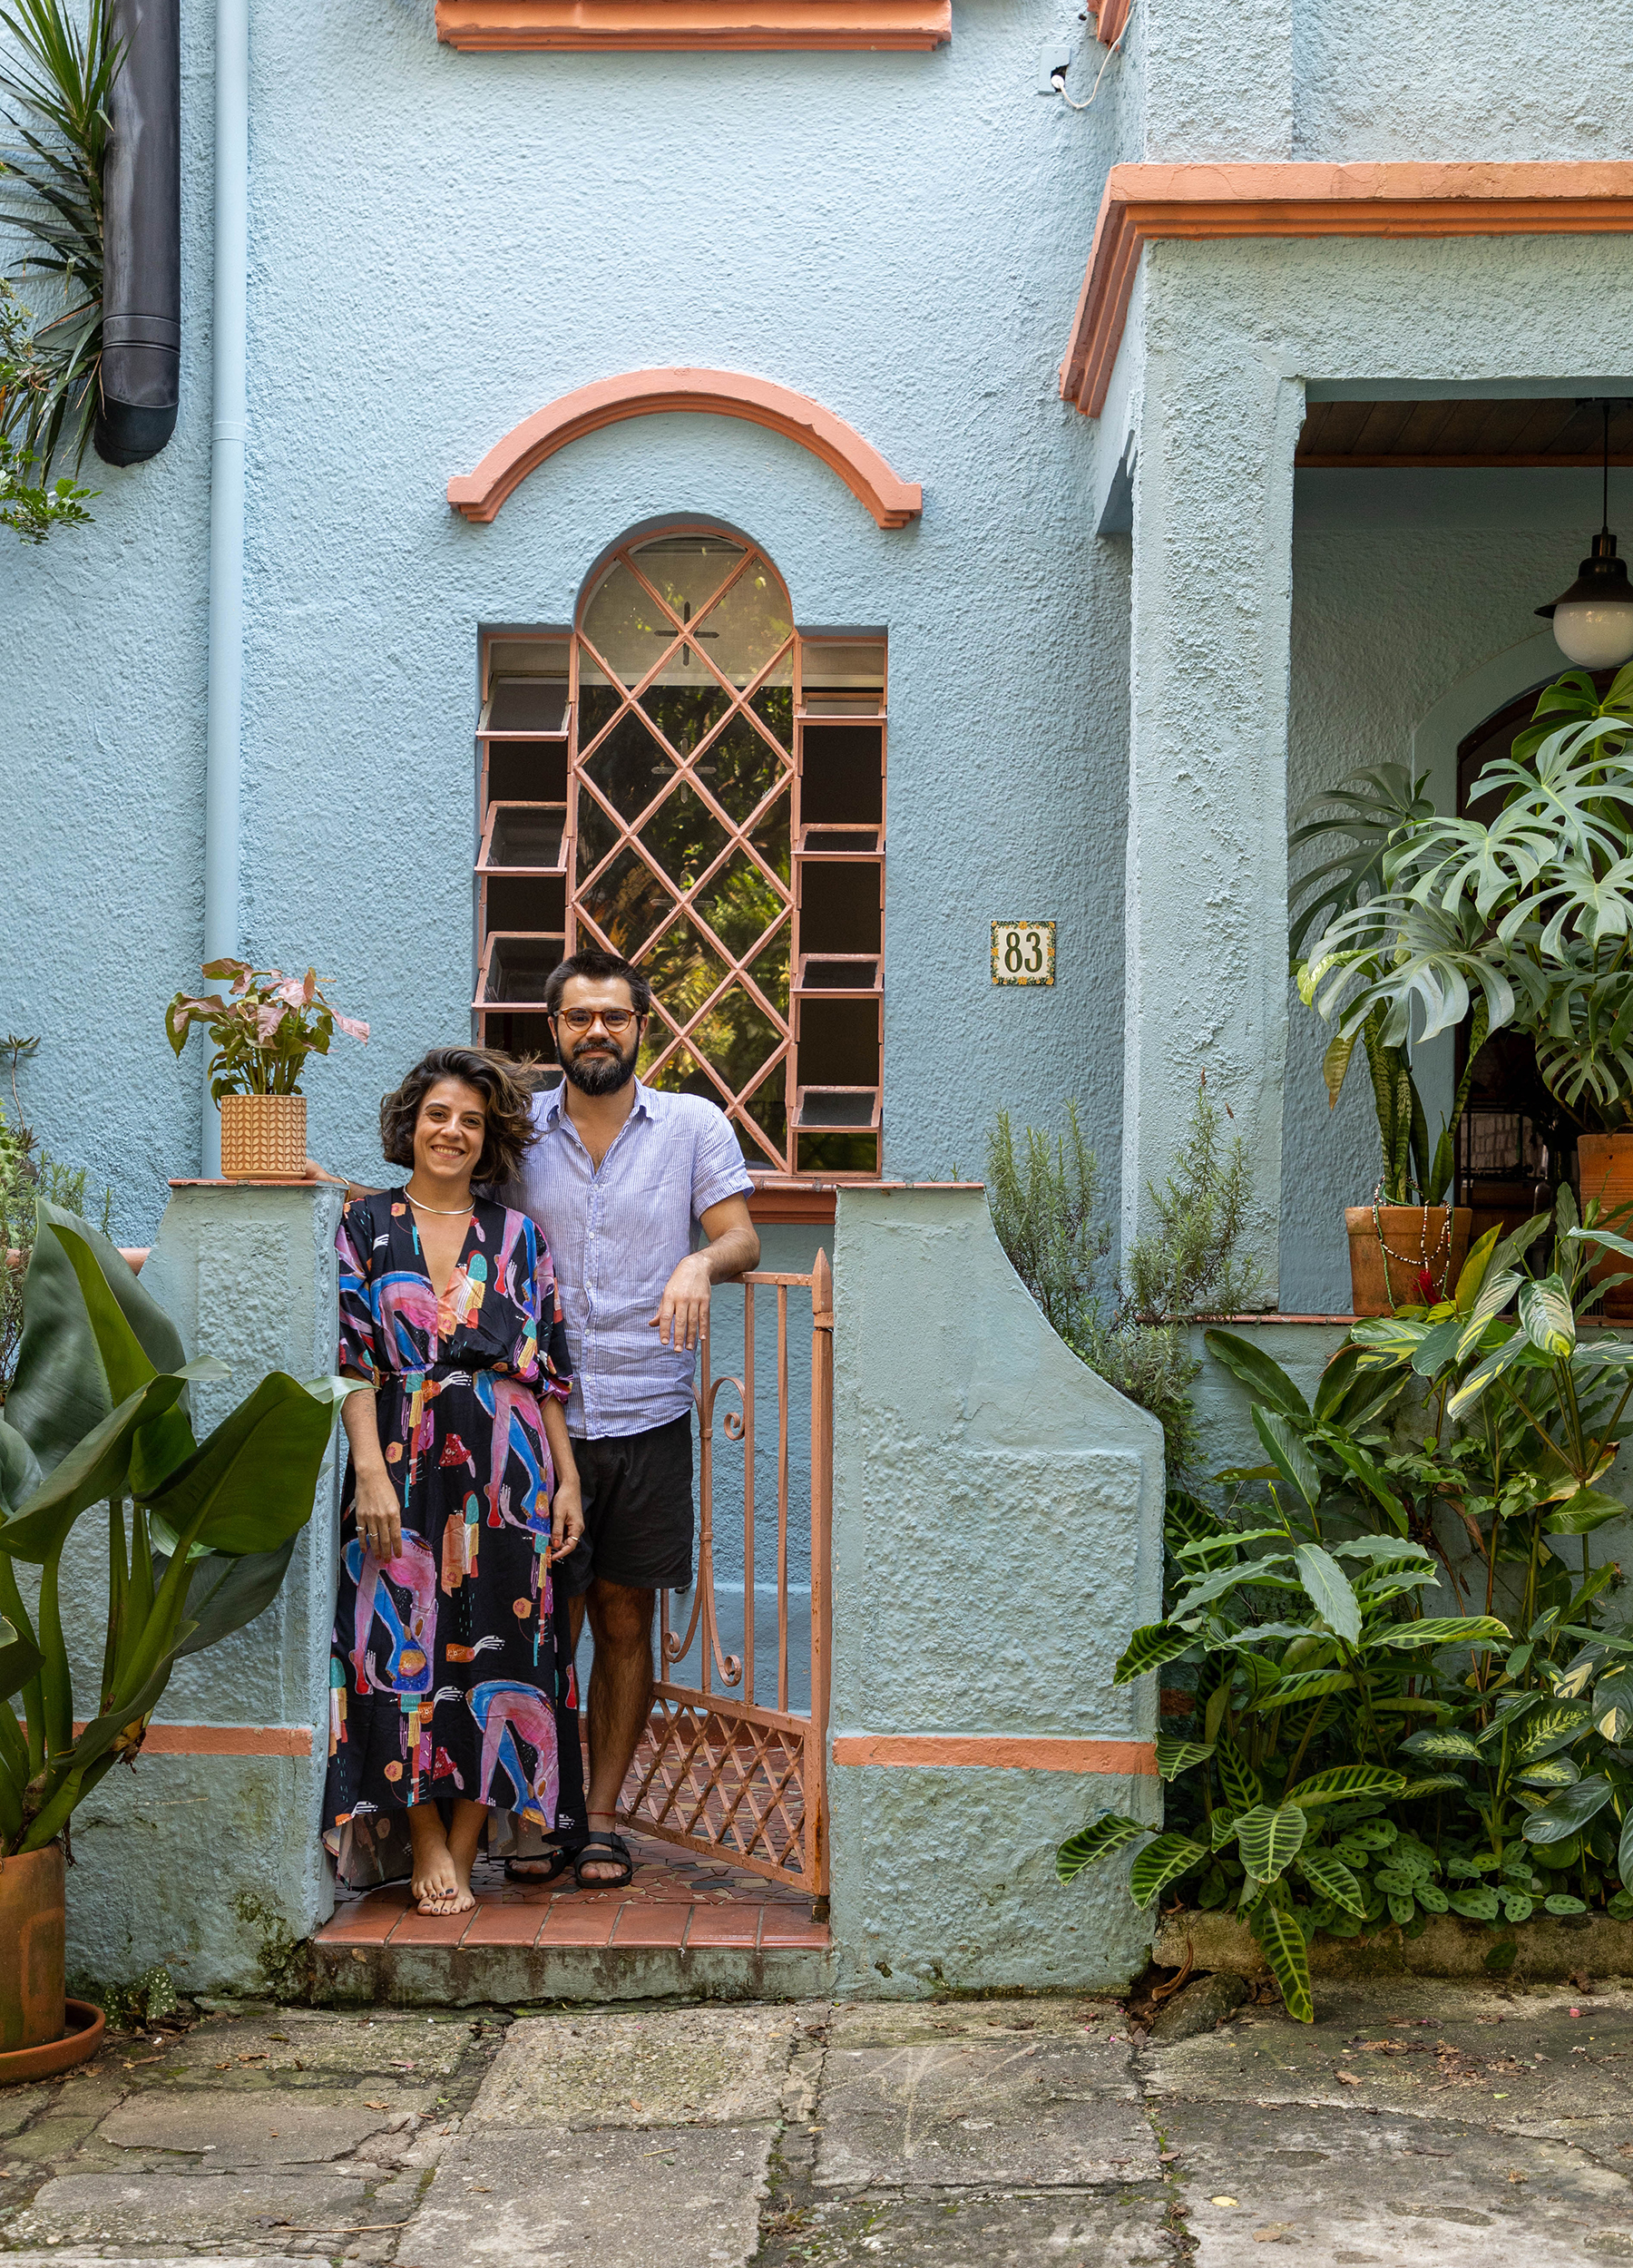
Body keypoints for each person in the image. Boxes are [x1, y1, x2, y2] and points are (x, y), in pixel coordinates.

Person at [504, 948, 760, 1886]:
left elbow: (741, 1234)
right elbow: (446, 1207)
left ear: (642, 1024)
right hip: (539, 1421)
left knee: (622, 1618)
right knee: (541, 1619)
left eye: (615, 1015)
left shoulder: (691, 1125)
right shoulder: (516, 1129)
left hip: (648, 1409)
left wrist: (699, 1263)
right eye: (580, 1017)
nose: (598, 1030)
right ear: (556, 1031)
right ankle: (542, 1810)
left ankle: (602, 1814)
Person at [322, 1048, 586, 1916]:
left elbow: (547, 1372)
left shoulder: (518, 1239)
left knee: (506, 1653)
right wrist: (369, 1471)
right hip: (396, 1468)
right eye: (439, 1114)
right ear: (412, 1124)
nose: (453, 1131)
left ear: (489, 1141)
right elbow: (351, 1362)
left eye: (471, 1121)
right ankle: (423, 1835)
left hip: (507, 1476)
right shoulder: (365, 1228)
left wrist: (567, 1481)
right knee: (397, 1651)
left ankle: (465, 1843)